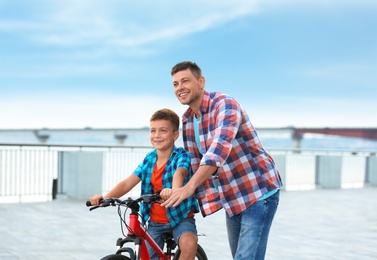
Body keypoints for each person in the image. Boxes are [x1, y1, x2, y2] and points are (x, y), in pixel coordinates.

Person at [162, 61, 283, 260]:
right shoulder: (187, 119)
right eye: (175, 84)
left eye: (185, 81)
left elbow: (217, 151)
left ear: (201, 82)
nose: (180, 87)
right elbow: (194, 161)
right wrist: (173, 189)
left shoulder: (225, 105)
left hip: (258, 191)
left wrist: (189, 187)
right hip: (232, 197)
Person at [90, 108, 199, 260]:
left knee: (189, 244)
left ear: (175, 135)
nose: (157, 135)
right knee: (145, 256)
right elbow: (128, 182)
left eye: (163, 131)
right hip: (155, 223)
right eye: (153, 131)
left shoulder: (181, 155)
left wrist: (174, 191)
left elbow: (179, 173)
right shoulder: (149, 159)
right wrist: (105, 198)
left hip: (180, 219)